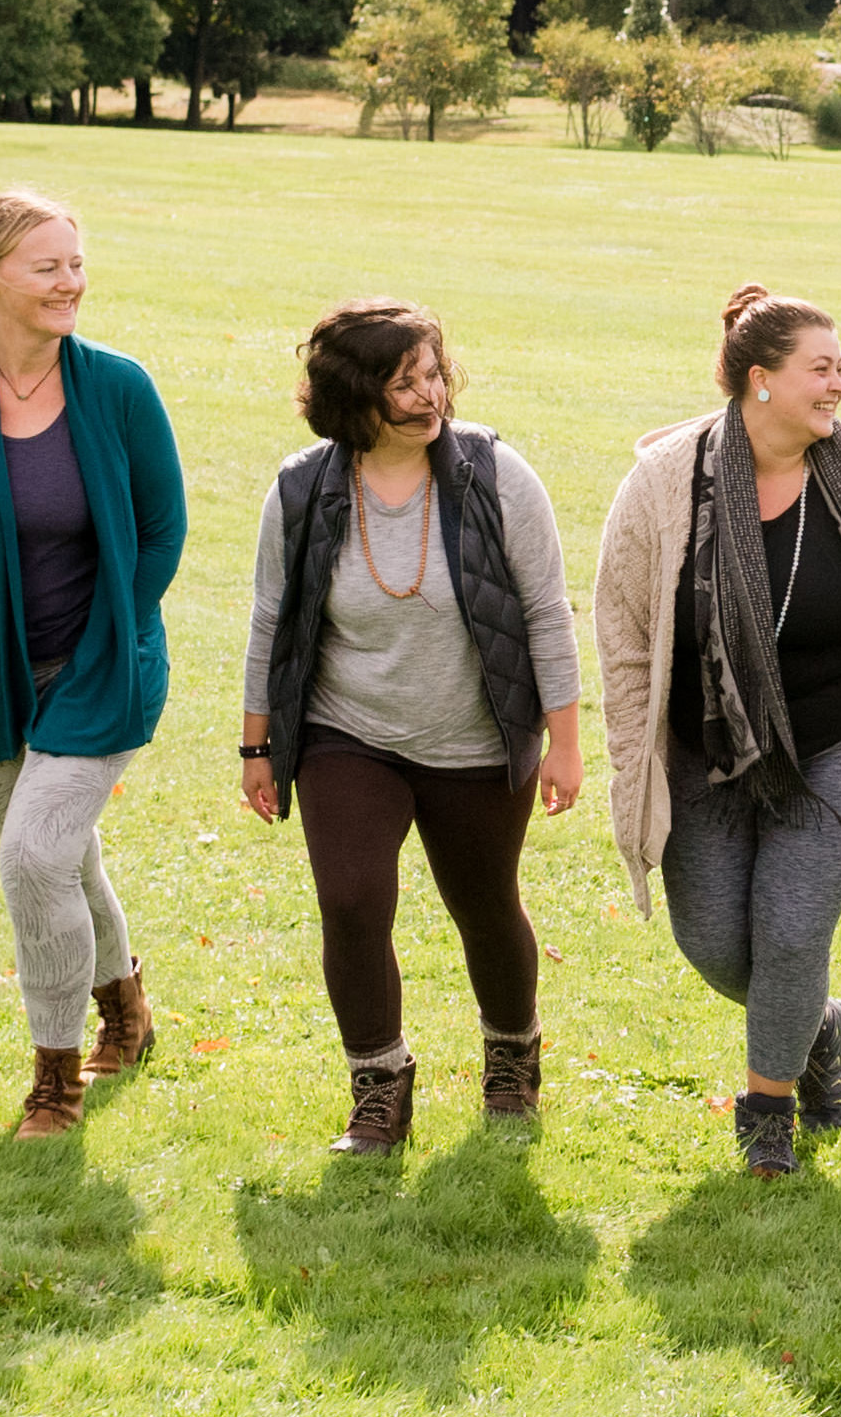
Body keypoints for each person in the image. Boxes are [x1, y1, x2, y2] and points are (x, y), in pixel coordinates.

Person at [592, 285, 841, 1179]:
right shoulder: (665, 482)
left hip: (837, 744)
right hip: (703, 748)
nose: (838, 385)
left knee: (794, 933)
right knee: (721, 946)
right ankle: (821, 1030)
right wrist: (628, 757)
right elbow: (620, 633)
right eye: (821, 369)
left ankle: (766, 1115)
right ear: (760, 380)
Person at [237, 299, 585, 1157]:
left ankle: (511, 1058)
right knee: (351, 904)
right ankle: (378, 1088)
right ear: (354, 397)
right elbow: (270, 621)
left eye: (435, 374)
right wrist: (256, 746)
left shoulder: (497, 476)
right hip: (346, 730)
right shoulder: (303, 488)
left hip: (475, 734)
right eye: (406, 383)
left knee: (485, 907)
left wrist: (566, 741)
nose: (431, 396)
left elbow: (546, 613)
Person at [0, 188, 187, 1139]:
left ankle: (56, 1080)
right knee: (61, 861)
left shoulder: (120, 387)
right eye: (47, 266)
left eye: (77, 265)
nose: (70, 283)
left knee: (33, 858)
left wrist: (115, 637)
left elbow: (162, 528)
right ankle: (126, 1009)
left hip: (96, 673)